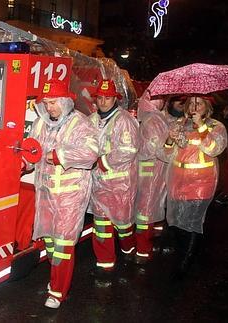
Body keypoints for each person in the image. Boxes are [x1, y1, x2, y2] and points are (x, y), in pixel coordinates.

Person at [25, 80, 99, 309]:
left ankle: (58, 292)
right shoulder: (41, 123)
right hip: (46, 194)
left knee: (63, 245)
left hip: (70, 197)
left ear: (66, 101)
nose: (50, 108)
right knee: (48, 240)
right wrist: (23, 160)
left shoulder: (81, 123)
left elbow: (90, 153)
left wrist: (59, 156)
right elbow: (32, 150)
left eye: (54, 102)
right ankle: (56, 280)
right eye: (46, 103)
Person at [164, 96, 227, 279]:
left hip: (201, 182)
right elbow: (166, 154)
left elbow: (214, 148)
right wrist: (169, 139)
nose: (194, 107)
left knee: (192, 222)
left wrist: (201, 126)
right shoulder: (180, 124)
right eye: (191, 103)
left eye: (198, 103)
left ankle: (185, 263)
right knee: (176, 221)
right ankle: (187, 252)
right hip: (178, 180)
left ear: (207, 107)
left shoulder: (216, 127)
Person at [87, 80, 139, 272]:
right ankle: (105, 263)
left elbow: (129, 149)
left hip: (119, 184)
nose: (103, 101)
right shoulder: (92, 120)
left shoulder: (124, 120)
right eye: (99, 97)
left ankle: (129, 249)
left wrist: (103, 161)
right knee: (100, 225)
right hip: (98, 184)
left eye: (107, 98)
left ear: (114, 99)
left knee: (123, 225)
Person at [133, 92, 184, 264]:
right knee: (146, 211)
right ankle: (143, 248)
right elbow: (156, 149)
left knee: (147, 210)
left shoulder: (154, 119)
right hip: (151, 173)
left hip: (153, 172)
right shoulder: (153, 121)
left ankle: (144, 248)